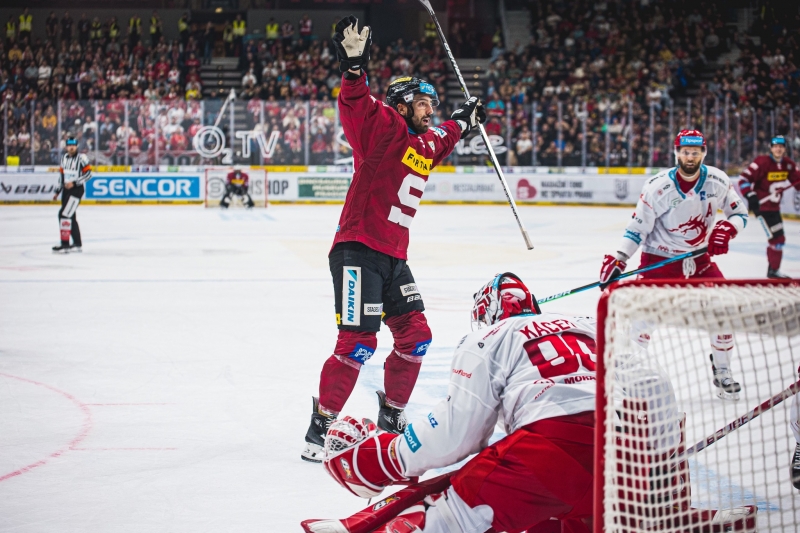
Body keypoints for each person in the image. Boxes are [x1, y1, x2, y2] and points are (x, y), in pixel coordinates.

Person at [300, 15, 485, 463]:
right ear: (401, 105)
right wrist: (354, 70)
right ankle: (321, 426)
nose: (431, 111)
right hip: (358, 251)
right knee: (358, 342)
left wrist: (464, 120)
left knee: (416, 337)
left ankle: (392, 415)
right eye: (424, 103)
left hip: (393, 257)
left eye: (433, 105)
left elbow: (444, 137)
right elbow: (355, 102)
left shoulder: (422, 145)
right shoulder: (384, 129)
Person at [321, 273, 598, 533]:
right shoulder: (590, 326)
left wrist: (390, 456)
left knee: (440, 519)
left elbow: (457, 432)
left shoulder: (490, 337)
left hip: (550, 452)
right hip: (631, 453)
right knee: (556, 519)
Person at [599, 129, 749, 400]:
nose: (690, 157)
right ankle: (633, 378)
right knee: (641, 323)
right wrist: (620, 259)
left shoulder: (717, 180)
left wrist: (727, 228)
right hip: (659, 261)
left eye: (695, 152)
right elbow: (637, 228)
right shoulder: (657, 187)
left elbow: (739, 213)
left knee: (725, 309)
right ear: (676, 152)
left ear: (703, 152)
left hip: (699, 260)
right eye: (685, 151)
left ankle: (722, 370)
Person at [739, 135, 800, 279]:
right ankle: (773, 270)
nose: (778, 149)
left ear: (784, 149)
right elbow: (744, 180)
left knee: (778, 239)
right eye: (775, 146)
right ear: (771, 148)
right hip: (762, 209)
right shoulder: (761, 162)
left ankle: (773, 270)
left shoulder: (788, 164)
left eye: (781, 146)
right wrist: (750, 196)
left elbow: (797, 182)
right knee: (777, 239)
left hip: (775, 209)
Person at [53, 137, 92, 253]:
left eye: (73, 145)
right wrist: (57, 191)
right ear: (66, 147)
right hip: (66, 190)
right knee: (70, 216)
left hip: (76, 190)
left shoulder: (82, 158)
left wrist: (74, 183)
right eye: (69, 145)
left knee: (64, 214)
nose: (71, 147)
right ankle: (77, 243)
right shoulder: (64, 158)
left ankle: (65, 244)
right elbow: (62, 176)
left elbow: (89, 174)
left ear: (77, 146)